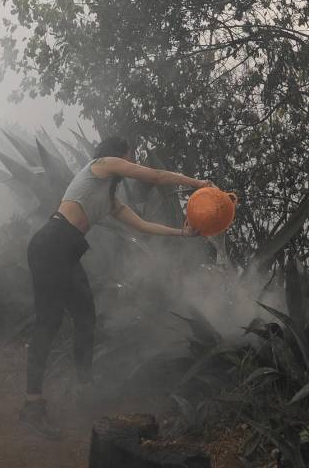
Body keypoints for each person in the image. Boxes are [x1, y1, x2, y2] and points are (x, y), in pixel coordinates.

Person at [19, 136, 214, 438]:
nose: (133, 161)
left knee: (86, 318)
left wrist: (182, 234)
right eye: (131, 155)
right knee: (49, 323)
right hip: (51, 244)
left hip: (66, 251)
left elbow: (142, 225)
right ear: (121, 153)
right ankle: (33, 405)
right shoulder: (101, 164)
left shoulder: (109, 200)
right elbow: (157, 176)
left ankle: (84, 389)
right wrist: (199, 183)